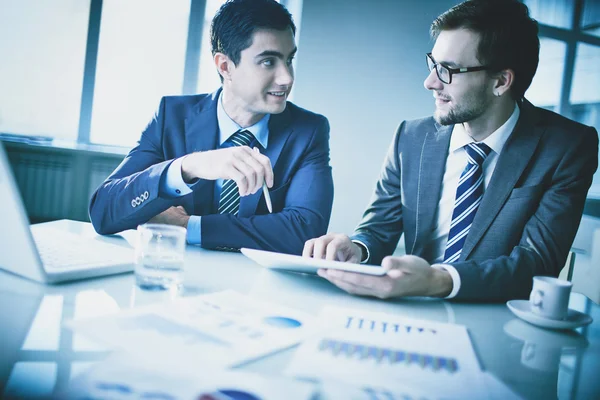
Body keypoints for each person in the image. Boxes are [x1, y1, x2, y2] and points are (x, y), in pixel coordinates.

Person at [303, 0, 598, 301]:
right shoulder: (411, 137)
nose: (429, 82)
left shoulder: (567, 147)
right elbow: (378, 229)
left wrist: (437, 280)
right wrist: (357, 247)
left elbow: (536, 264)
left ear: (500, 81)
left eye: (448, 70)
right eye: (433, 64)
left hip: (498, 323)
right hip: (411, 310)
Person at [89, 0, 333, 255]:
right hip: (172, 277)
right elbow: (103, 211)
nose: (287, 78)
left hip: (256, 288)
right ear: (225, 66)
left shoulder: (309, 130)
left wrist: (190, 226)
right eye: (269, 62)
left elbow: (306, 231)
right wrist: (188, 167)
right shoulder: (171, 116)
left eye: (289, 59)